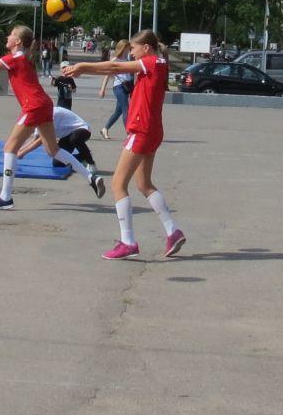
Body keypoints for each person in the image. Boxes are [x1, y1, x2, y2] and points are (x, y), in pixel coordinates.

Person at [0, 25, 95, 210]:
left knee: (10, 147)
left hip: (33, 106)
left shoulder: (15, 58)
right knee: (53, 150)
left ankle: (5, 197)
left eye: (11, 35)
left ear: (17, 41)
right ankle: (90, 176)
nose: (7, 37)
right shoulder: (23, 58)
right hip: (44, 104)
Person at [62, 29, 180, 258]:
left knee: (117, 184)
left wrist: (82, 67)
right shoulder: (160, 62)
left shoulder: (151, 61)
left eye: (134, 49)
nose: (132, 54)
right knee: (144, 184)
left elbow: (115, 67)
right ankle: (172, 231)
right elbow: (115, 67)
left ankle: (128, 243)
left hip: (142, 129)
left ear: (146, 47)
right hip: (153, 129)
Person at [16, 104, 104, 188]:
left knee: (74, 139)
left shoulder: (51, 115)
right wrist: (19, 150)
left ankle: (91, 162)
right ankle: (83, 155)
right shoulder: (38, 119)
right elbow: (35, 138)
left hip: (82, 129)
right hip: (66, 136)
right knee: (57, 163)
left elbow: (41, 140)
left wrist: (23, 153)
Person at [98, 39, 133, 138]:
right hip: (118, 87)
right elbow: (107, 75)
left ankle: (105, 129)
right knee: (126, 109)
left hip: (126, 87)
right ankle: (129, 134)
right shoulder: (115, 60)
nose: (128, 50)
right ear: (123, 48)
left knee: (118, 111)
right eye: (127, 48)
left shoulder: (127, 59)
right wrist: (102, 89)